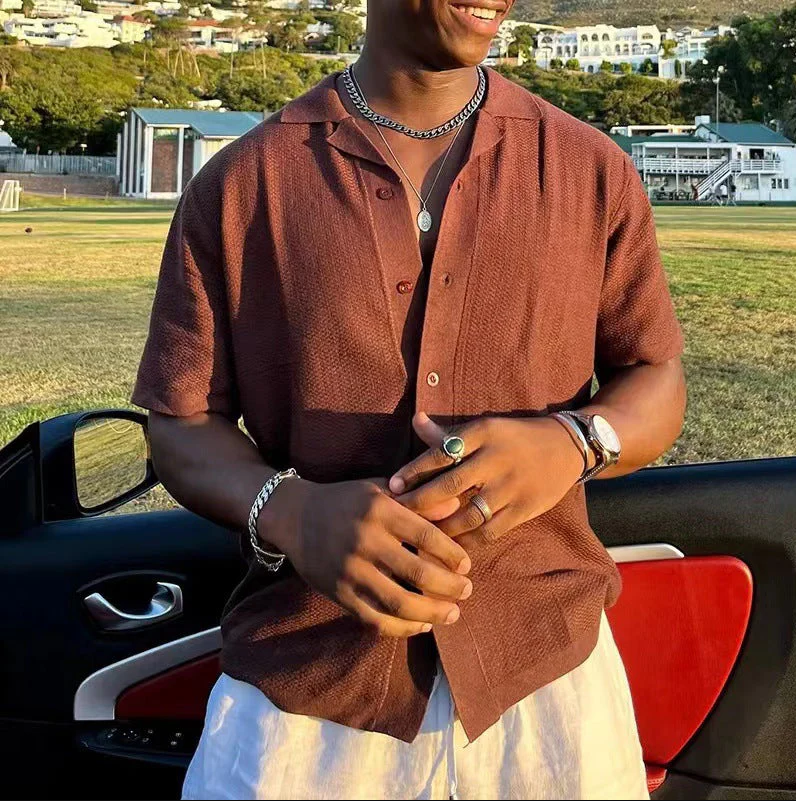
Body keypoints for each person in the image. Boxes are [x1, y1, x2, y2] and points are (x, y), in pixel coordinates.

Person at [132, 1, 686, 798]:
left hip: (551, 697)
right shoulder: (244, 183)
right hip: (306, 705)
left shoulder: (591, 168)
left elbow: (657, 378)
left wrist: (575, 440)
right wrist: (293, 513)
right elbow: (182, 423)